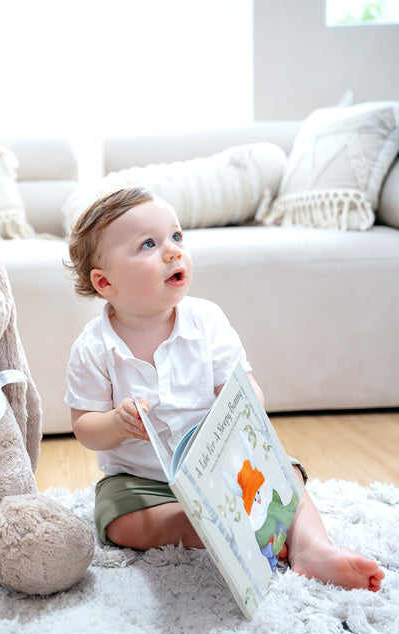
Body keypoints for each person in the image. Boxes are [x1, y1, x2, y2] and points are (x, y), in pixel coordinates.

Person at [64, 186, 383, 592]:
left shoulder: (206, 320)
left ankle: (313, 547)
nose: (173, 251)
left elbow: (245, 388)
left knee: (284, 474)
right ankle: (217, 528)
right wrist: (116, 423)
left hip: (221, 466)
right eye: (148, 244)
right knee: (118, 520)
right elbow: (85, 426)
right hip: (142, 479)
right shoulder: (93, 347)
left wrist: (241, 404)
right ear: (105, 282)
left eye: (176, 237)